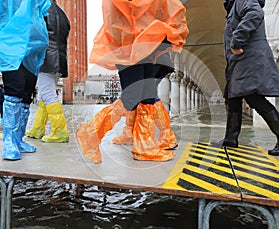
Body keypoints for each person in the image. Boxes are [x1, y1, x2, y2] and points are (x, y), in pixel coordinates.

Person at [76, 0, 189, 163]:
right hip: (129, 48)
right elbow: (114, 20)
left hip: (149, 48)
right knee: (132, 96)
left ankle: (144, 146)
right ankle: (91, 134)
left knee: (148, 97)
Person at [214, 0, 279, 156]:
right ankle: (230, 139)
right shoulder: (234, 5)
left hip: (249, 58)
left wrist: (237, 40)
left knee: (253, 97)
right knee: (233, 97)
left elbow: (255, 13)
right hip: (239, 61)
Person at [0, 0, 51, 160]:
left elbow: (43, 12)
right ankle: (9, 141)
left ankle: (18, 140)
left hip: (33, 45)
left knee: (27, 93)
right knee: (14, 89)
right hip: (10, 43)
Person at [26, 0, 70, 143]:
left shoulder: (41, 9)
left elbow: (34, 32)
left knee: (48, 93)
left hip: (46, 57)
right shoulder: (61, 13)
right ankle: (38, 128)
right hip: (59, 57)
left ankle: (60, 130)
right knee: (44, 94)